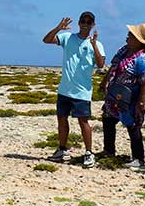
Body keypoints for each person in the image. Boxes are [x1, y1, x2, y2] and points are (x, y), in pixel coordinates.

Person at [42, 12, 106, 168]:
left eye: (88, 22)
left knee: (83, 121)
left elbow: (100, 64)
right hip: (64, 89)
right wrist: (58, 28)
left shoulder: (97, 44)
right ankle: (62, 150)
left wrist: (94, 45)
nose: (85, 24)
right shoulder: (67, 37)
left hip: (82, 91)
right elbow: (47, 40)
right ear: (79, 23)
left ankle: (89, 153)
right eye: (83, 21)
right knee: (61, 119)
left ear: (93, 25)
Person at [101, 24, 145, 167]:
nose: (128, 36)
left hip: (132, 98)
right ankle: (109, 150)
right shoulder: (123, 51)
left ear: (139, 40)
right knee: (108, 119)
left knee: (133, 125)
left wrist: (141, 102)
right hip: (115, 95)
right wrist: (105, 81)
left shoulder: (143, 59)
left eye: (131, 35)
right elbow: (114, 67)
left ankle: (138, 158)